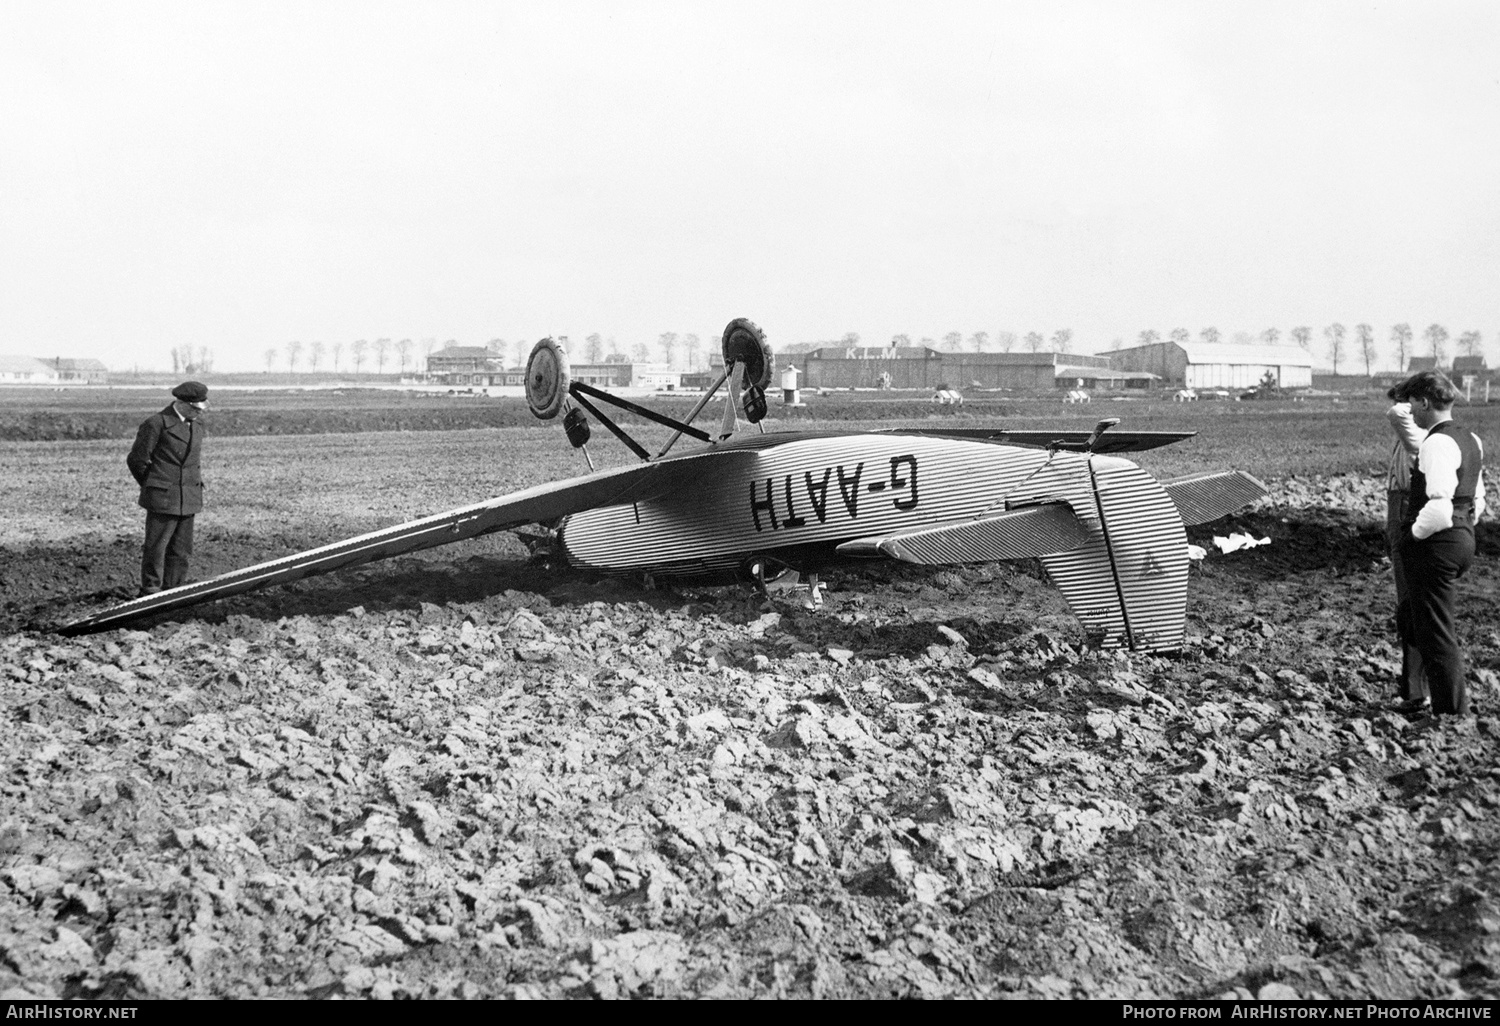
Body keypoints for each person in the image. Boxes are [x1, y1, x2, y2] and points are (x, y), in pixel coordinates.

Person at [1395, 370, 1487, 723]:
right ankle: (1426, 694)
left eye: (1412, 404)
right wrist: (1463, 532)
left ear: (1424, 402)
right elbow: (1477, 496)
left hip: (1437, 543)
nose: (1410, 413)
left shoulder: (1436, 443)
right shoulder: (1471, 439)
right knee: (1412, 618)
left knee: (1437, 635)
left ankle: (1451, 714)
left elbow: (1438, 507)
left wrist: (1411, 537)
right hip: (1462, 538)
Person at [127, 381, 209, 595]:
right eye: (194, 409)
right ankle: (151, 590)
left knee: (182, 549)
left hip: (189, 496)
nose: (198, 414)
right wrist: (154, 485)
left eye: (200, 409)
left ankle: (174, 590)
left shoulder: (196, 427)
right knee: (157, 547)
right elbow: (137, 460)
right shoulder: (156, 424)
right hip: (163, 497)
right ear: (181, 403)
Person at [1385, 382, 1429, 713]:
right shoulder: (1412, 438)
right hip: (1397, 510)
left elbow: (1397, 412)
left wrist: (1411, 396)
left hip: (1404, 512)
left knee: (1412, 606)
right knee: (1408, 607)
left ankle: (1418, 692)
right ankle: (1412, 688)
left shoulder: (1418, 435)